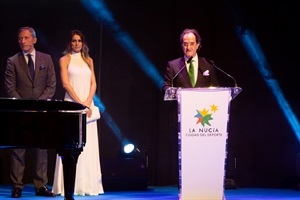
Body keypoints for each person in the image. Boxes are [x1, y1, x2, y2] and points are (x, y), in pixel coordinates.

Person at [162, 28, 220, 186]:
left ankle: (205, 183)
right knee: (184, 155)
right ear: (181, 45)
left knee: (203, 153)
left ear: (198, 45)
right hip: (182, 118)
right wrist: (176, 92)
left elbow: (216, 88)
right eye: (185, 44)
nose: (188, 47)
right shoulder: (173, 65)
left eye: (192, 44)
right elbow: (166, 87)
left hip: (203, 120)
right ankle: (185, 185)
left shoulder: (208, 65)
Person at [4, 26, 57, 198]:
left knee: (41, 150)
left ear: (34, 39)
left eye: (26, 38)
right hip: (21, 113)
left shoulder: (46, 59)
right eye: (20, 38)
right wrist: (25, 106)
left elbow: (51, 85)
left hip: (41, 112)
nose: (22, 41)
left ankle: (41, 186)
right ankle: (17, 186)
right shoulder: (12, 61)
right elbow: (10, 88)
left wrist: (40, 104)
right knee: (18, 150)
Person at [52, 29, 104, 196]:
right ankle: (67, 187)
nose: (76, 44)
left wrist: (87, 103)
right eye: (73, 41)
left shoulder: (89, 60)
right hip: (71, 105)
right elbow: (66, 84)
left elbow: (93, 83)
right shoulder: (64, 60)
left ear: (83, 43)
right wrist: (79, 104)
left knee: (87, 145)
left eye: (79, 41)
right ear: (69, 42)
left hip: (88, 107)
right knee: (70, 146)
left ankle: (88, 186)